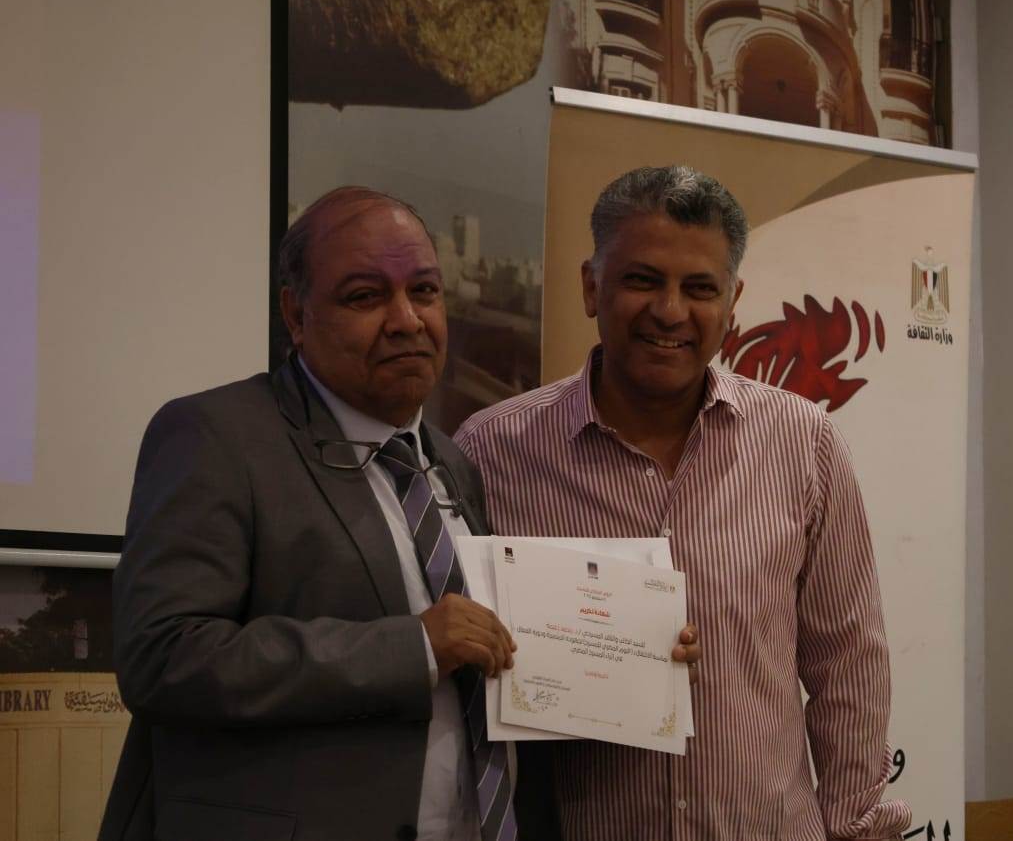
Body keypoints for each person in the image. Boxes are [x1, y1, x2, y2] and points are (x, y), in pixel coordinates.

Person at [98, 184, 704, 841]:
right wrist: (411, 647)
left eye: (424, 291)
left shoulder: (452, 461)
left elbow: (480, 652)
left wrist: (629, 653)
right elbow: (164, 657)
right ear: (296, 314)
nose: (407, 320)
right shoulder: (217, 436)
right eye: (365, 296)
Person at [455, 166, 911, 841]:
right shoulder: (492, 452)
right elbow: (461, 672)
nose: (670, 311)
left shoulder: (803, 443)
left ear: (733, 301)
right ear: (591, 286)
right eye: (643, 280)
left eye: (700, 288)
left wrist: (854, 830)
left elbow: (848, 664)